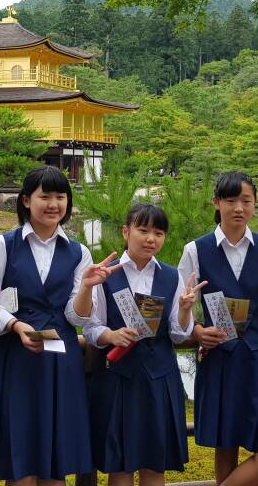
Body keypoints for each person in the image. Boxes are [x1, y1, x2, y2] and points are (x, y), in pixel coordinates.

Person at [178, 171, 258, 485]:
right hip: (221, 358)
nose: (238, 208)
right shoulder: (196, 250)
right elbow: (178, 308)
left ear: (254, 204)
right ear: (216, 202)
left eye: (246, 201)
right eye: (231, 200)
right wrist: (197, 331)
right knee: (226, 447)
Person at [0, 165, 96, 485]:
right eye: (45, 196)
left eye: (61, 197)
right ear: (27, 200)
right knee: (21, 463)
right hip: (14, 359)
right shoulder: (4, 245)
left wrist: (87, 287)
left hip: (60, 362)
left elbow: (77, 317)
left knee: (56, 464)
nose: (53, 204)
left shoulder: (79, 252)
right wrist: (15, 325)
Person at [73, 203, 201, 486]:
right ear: (125, 231)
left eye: (159, 233)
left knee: (155, 464)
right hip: (118, 377)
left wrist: (184, 309)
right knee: (120, 465)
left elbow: (179, 334)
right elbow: (91, 327)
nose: (151, 239)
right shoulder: (106, 274)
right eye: (143, 230)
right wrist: (111, 336)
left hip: (159, 377)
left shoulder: (171, 276)